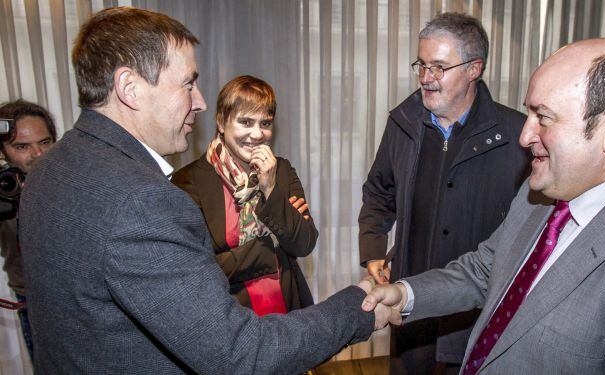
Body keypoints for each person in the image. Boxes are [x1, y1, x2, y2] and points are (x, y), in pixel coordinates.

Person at [19, 7, 389, 374]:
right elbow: (241, 354)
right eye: (188, 83)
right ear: (129, 87)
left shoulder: (49, 168)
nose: (198, 100)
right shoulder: (144, 200)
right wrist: (359, 306)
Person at [363, 38, 605, 374]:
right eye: (529, 113)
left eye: (543, 117)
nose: (525, 135)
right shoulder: (544, 192)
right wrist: (406, 294)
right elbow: (485, 270)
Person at [358, 12, 529, 373]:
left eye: (438, 67)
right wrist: (372, 249)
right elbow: (378, 191)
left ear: (474, 69)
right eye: (421, 65)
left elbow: (530, 228)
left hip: (474, 315)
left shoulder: (519, 137)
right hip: (409, 305)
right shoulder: (402, 123)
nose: (425, 79)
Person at [172, 76, 316, 315]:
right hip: (229, 319)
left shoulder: (281, 170)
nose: (258, 134)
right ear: (221, 121)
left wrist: (270, 188)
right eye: (246, 122)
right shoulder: (188, 182)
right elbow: (199, 272)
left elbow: (304, 243)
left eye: (266, 123)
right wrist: (272, 248)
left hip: (289, 310)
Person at [0, 99, 57, 360]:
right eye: (22, 146)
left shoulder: (74, 181)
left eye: (45, 142)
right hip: (31, 305)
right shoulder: (4, 191)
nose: (38, 154)